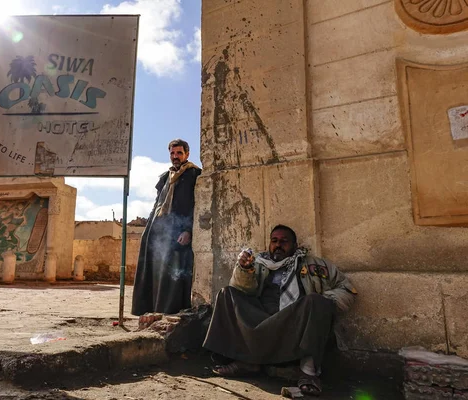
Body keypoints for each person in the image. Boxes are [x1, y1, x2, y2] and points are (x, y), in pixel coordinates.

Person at [203, 224, 357, 396]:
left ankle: (308, 373)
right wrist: (244, 270)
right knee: (227, 293)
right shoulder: (258, 263)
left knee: (316, 301)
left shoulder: (314, 265)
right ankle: (247, 361)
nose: (278, 245)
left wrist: (324, 304)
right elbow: (242, 291)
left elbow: (347, 288)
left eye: (284, 241)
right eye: (274, 241)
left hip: (293, 324)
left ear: (295, 245)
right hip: (259, 321)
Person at [131, 139, 202, 317]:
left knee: (174, 271)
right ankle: (152, 309)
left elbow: (196, 205)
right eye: (172, 153)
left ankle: (171, 311)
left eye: (179, 153)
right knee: (155, 269)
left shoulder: (194, 174)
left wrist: (188, 230)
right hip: (160, 228)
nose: (175, 157)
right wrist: (149, 230)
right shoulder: (165, 177)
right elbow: (158, 204)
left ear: (187, 154)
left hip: (179, 230)